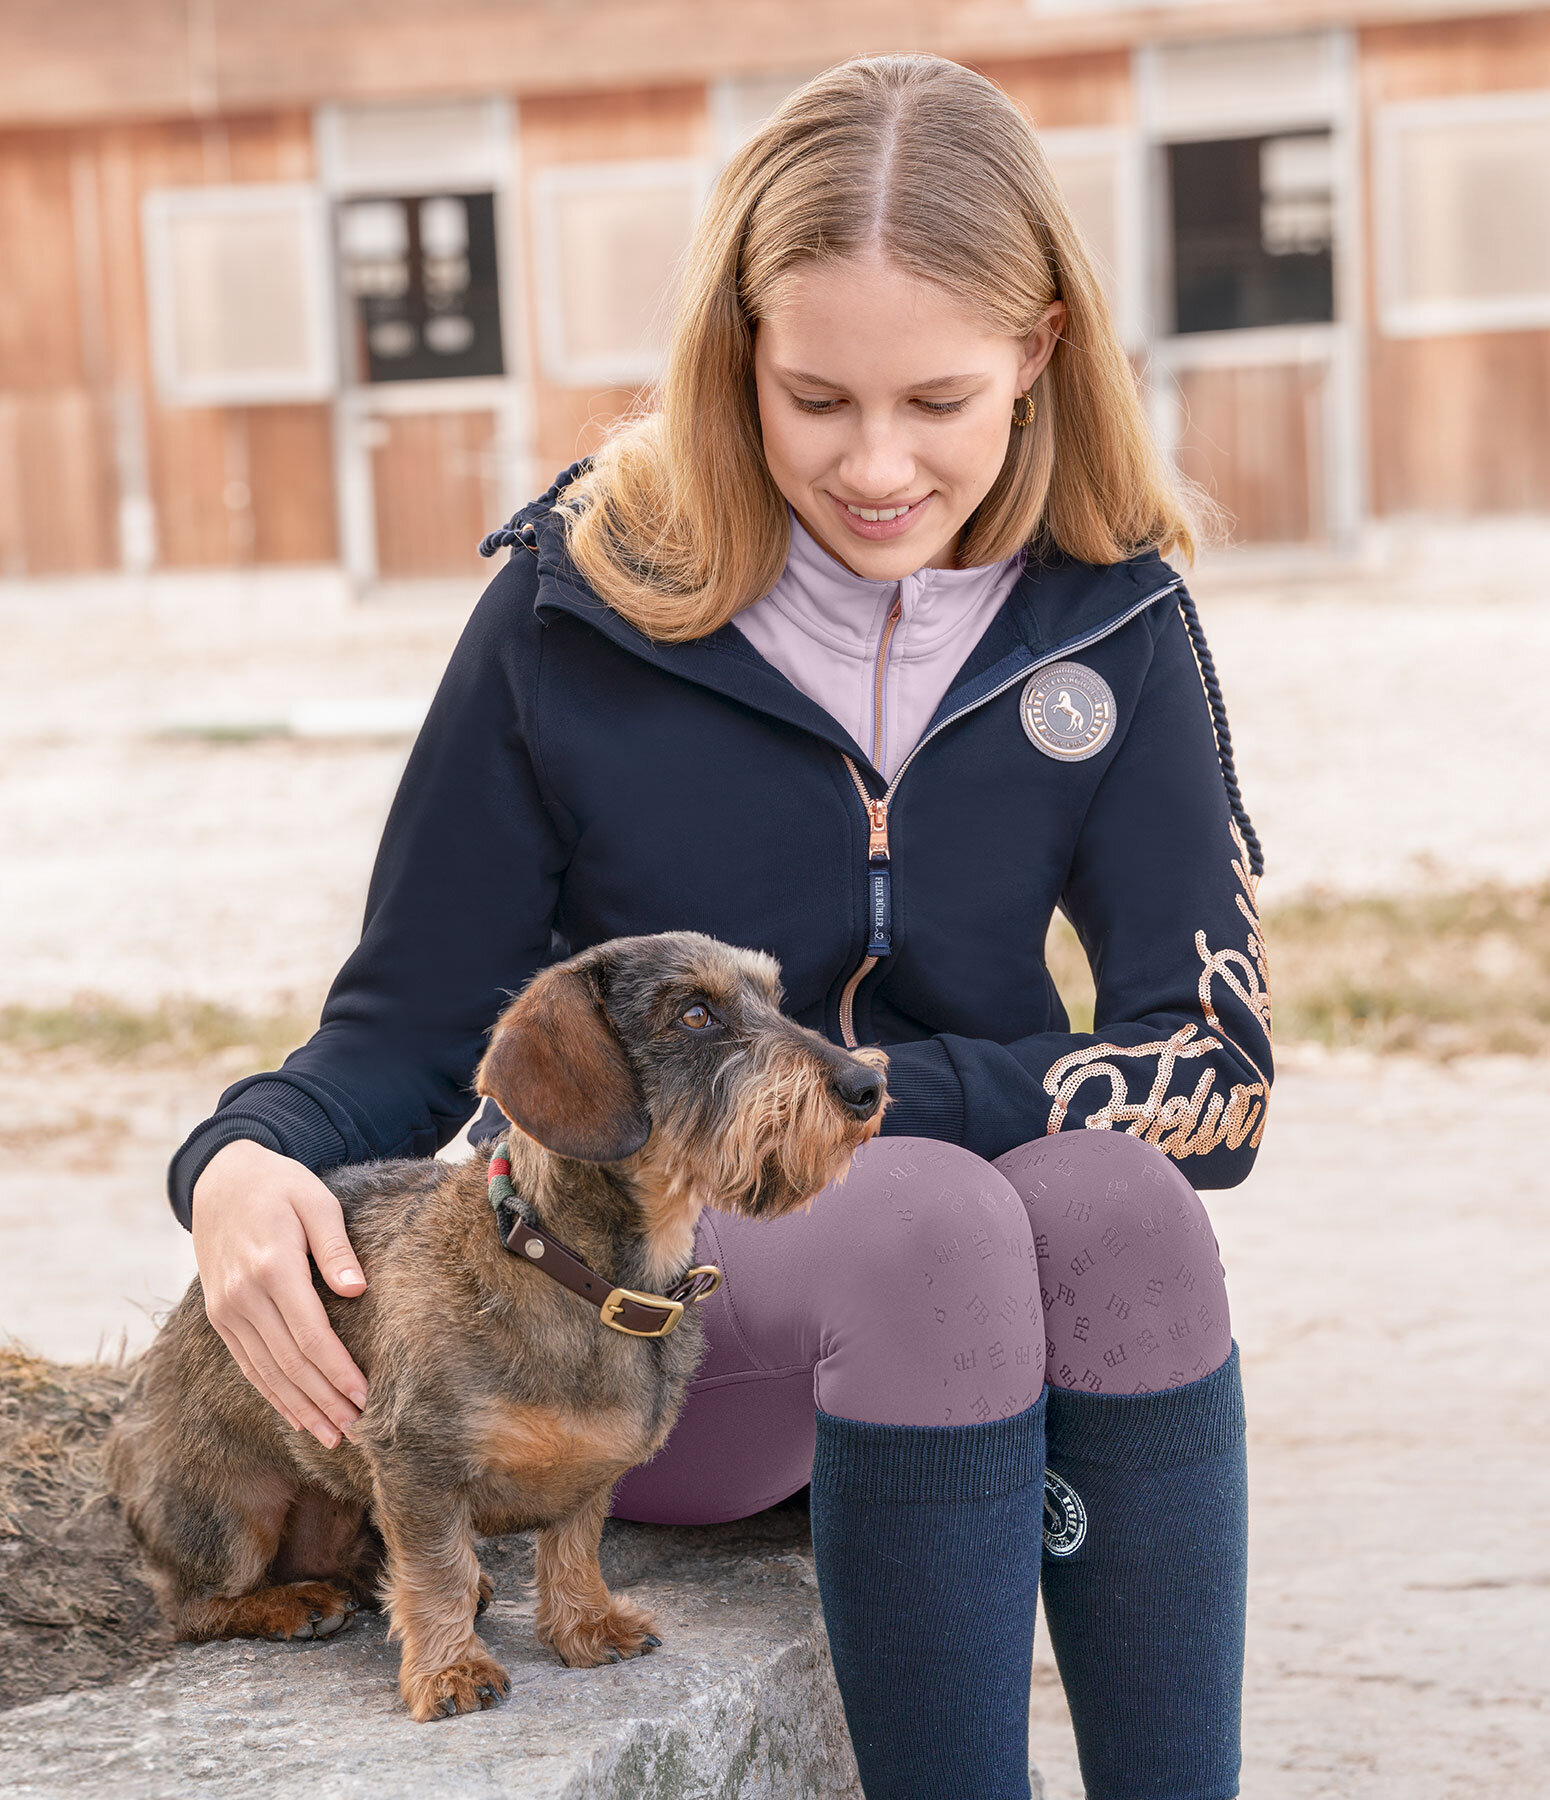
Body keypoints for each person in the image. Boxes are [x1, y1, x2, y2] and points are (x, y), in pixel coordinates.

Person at [173, 53, 1271, 1800]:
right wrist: (237, 1159)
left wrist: (858, 1097)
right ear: (735, 350)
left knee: (1116, 1206)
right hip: (638, 1334)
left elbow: (1212, 1073)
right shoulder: (576, 603)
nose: (879, 464)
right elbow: (400, 1025)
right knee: (923, 1224)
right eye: (813, 396)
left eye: (939, 400)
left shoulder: (1112, 616)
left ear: (1043, 350)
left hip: (964, 1333)